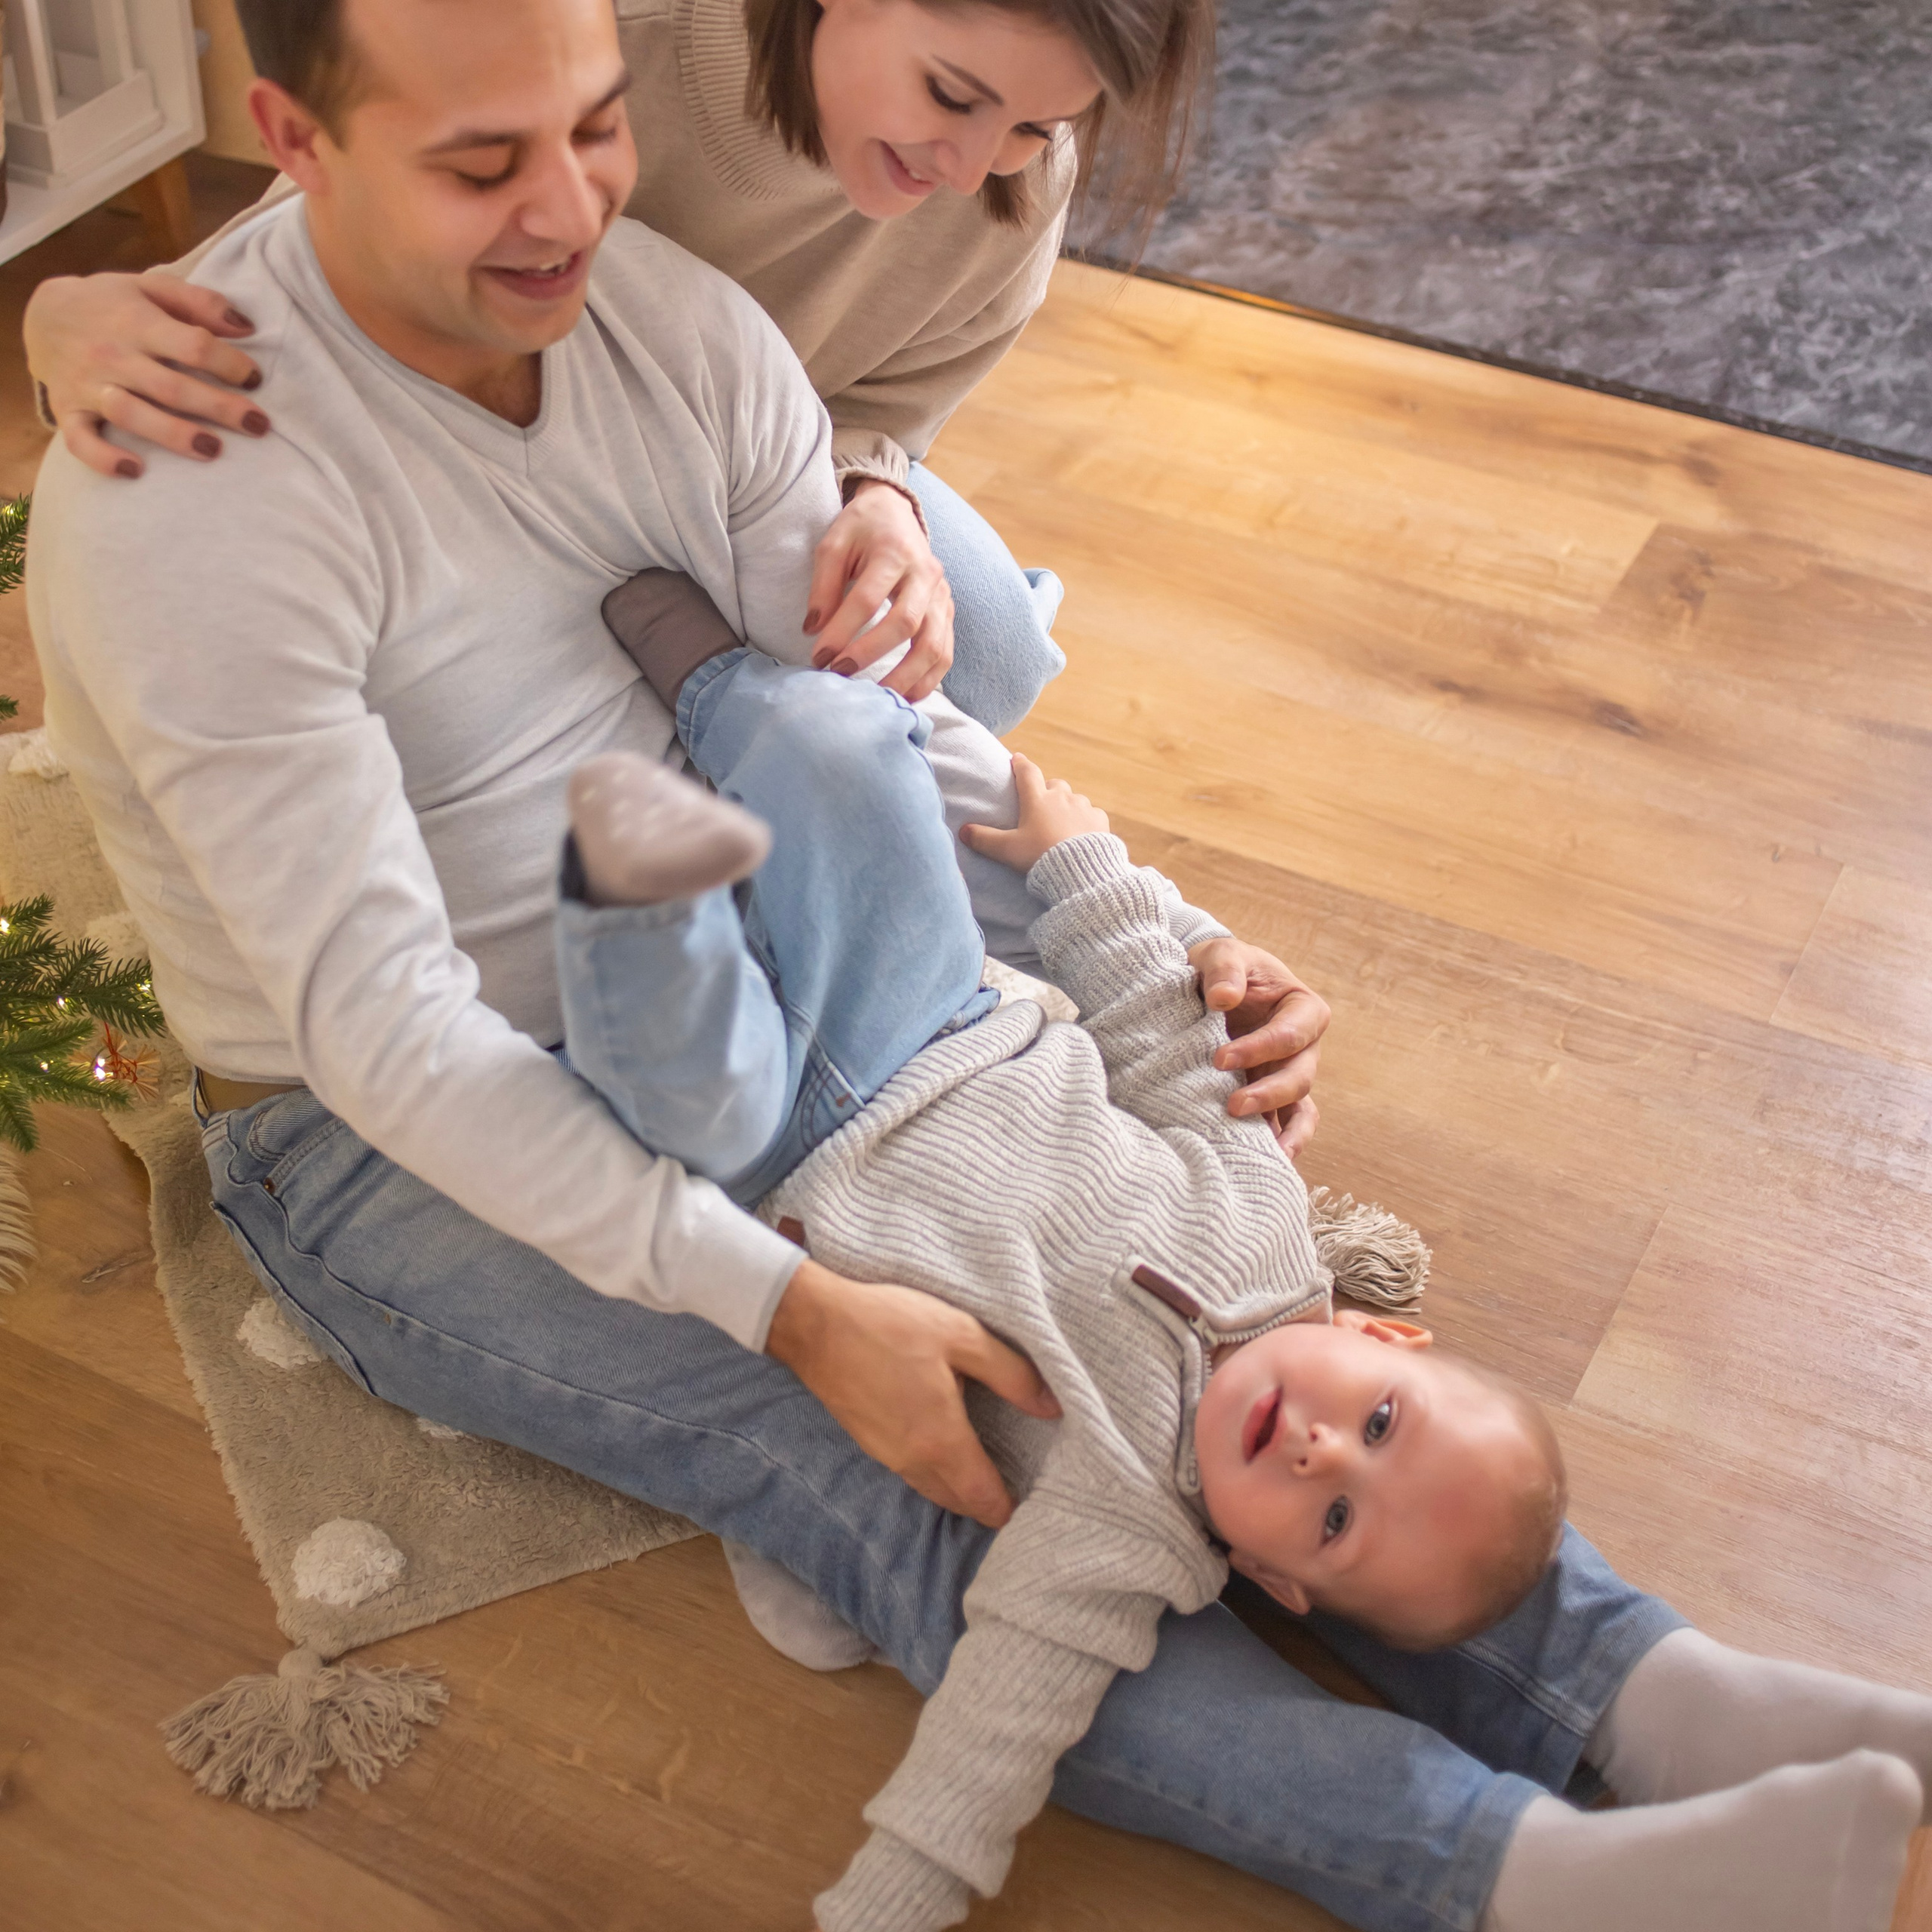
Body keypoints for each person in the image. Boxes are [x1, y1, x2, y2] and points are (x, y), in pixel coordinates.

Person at [26, 5, 1931, 1932]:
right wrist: (789, 1309)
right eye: (482, 163)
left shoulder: (671, 321)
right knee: (972, 1500)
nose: (567, 214)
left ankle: (1639, 1687)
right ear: (290, 135)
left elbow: (846, 708)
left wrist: (1163, 920)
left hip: (771, 951)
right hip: (396, 1130)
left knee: (1225, 1357)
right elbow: (385, 1034)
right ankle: (1518, 1877)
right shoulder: (191, 492)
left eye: (598, 134)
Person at [571, 585, 1924, 1932]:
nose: (1322, 1455)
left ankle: (617, 847)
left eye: (1331, 1520)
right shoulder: (1270, 1223)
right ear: (1381, 1334)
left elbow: (993, 1735)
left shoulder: (1116, 1534)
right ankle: (683, 647)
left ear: (1266, 1579)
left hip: (773, 1158)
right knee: (834, 762)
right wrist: (1077, 861)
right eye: (1378, 1420)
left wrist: (884, 1906)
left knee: (659, 1015)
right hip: (947, 1017)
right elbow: (1166, 1043)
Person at [24, 0, 1212, 740]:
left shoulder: (1008, 188)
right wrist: (63, 315)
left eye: (1035, 125)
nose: (968, 168)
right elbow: (313, 246)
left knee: (983, 651)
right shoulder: (596, 42)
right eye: (952, 95)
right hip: (502, 469)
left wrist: (882, 492)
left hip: (751, 478)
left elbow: (887, 402)